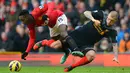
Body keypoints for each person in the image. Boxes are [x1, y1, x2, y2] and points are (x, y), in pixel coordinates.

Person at [34, 10, 119, 72]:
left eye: (112, 21)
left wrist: (115, 56)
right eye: (109, 19)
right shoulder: (101, 15)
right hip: (77, 35)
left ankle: (72, 67)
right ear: (108, 16)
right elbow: (86, 13)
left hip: (87, 44)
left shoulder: (112, 31)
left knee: (91, 56)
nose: (109, 21)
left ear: (115, 21)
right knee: (55, 45)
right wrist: (93, 19)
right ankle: (44, 42)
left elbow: (114, 44)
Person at [18, 2, 84, 63]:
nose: (23, 22)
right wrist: (27, 51)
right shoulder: (30, 25)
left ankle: (76, 50)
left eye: (23, 19)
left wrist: (47, 14)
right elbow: (32, 38)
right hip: (52, 26)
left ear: (27, 16)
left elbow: (51, 3)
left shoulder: (36, 12)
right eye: (21, 20)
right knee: (55, 44)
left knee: (63, 34)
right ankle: (66, 52)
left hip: (59, 16)